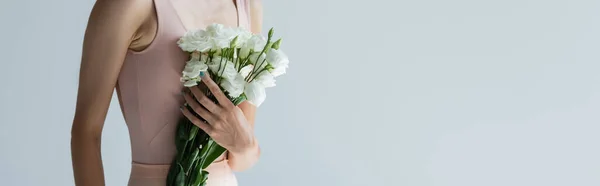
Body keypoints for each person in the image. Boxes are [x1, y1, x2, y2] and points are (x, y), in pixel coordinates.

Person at [70, 0, 263, 185]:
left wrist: (247, 146)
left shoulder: (246, 5)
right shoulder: (129, 4)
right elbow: (86, 133)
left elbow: (239, 160)